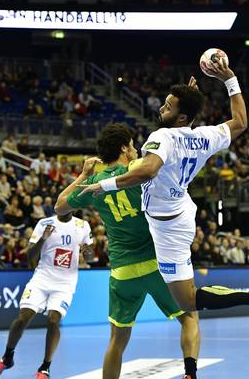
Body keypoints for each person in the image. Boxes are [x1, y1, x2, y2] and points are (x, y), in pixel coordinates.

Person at [78, 60, 249, 327]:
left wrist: (102, 185)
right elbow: (241, 122)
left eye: (169, 106)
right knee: (186, 299)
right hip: (181, 211)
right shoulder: (205, 136)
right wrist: (229, 78)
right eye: (165, 103)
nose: (161, 108)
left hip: (168, 229)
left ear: (182, 117)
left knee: (187, 302)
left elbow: (148, 170)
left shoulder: (162, 137)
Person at [55, 123, 201, 379]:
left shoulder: (94, 184)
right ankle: (190, 374)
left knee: (117, 339)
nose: (135, 150)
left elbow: (60, 207)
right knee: (189, 317)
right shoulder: (136, 171)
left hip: (122, 272)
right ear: (124, 148)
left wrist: (82, 175)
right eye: (133, 145)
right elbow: (167, 154)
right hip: (157, 266)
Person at [0, 212, 92, 379]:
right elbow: (30, 257)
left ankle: (45, 367)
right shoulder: (45, 223)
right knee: (23, 318)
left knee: (53, 320)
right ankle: (7, 357)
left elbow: (91, 256)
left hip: (65, 283)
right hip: (42, 278)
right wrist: (43, 238)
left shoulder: (82, 225)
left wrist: (87, 252)